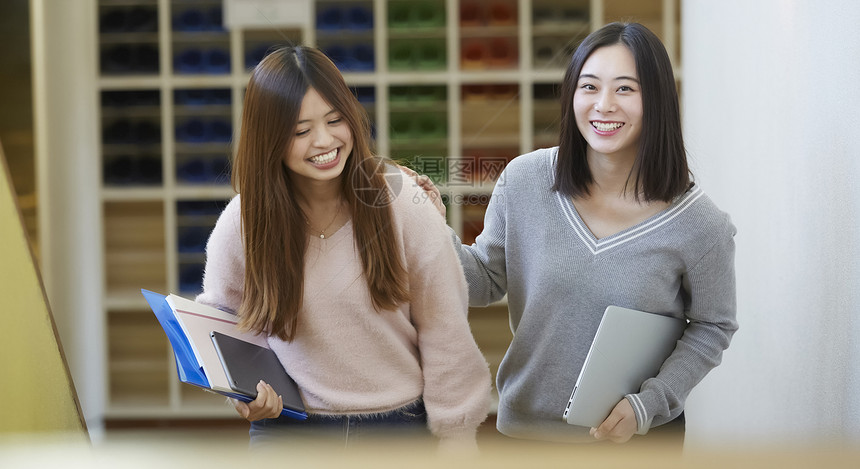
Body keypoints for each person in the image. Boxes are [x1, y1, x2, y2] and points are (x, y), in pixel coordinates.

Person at [416, 22, 738, 446]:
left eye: (626, 89)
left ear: (657, 100)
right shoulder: (525, 180)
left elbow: (714, 326)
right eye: (589, 87)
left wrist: (649, 404)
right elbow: (484, 281)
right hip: (527, 435)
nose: (604, 105)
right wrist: (431, 230)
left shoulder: (700, 224)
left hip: (637, 441)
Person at [196, 45, 491, 450]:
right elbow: (221, 322)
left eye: (335, 120)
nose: (324, 141)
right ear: (269, 140)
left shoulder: (403, 204)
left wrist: (458, 437)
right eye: (300, 131)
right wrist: (242, 395)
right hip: (288, 429)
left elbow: (445, 330)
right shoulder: (243, 221)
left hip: (399, 429)